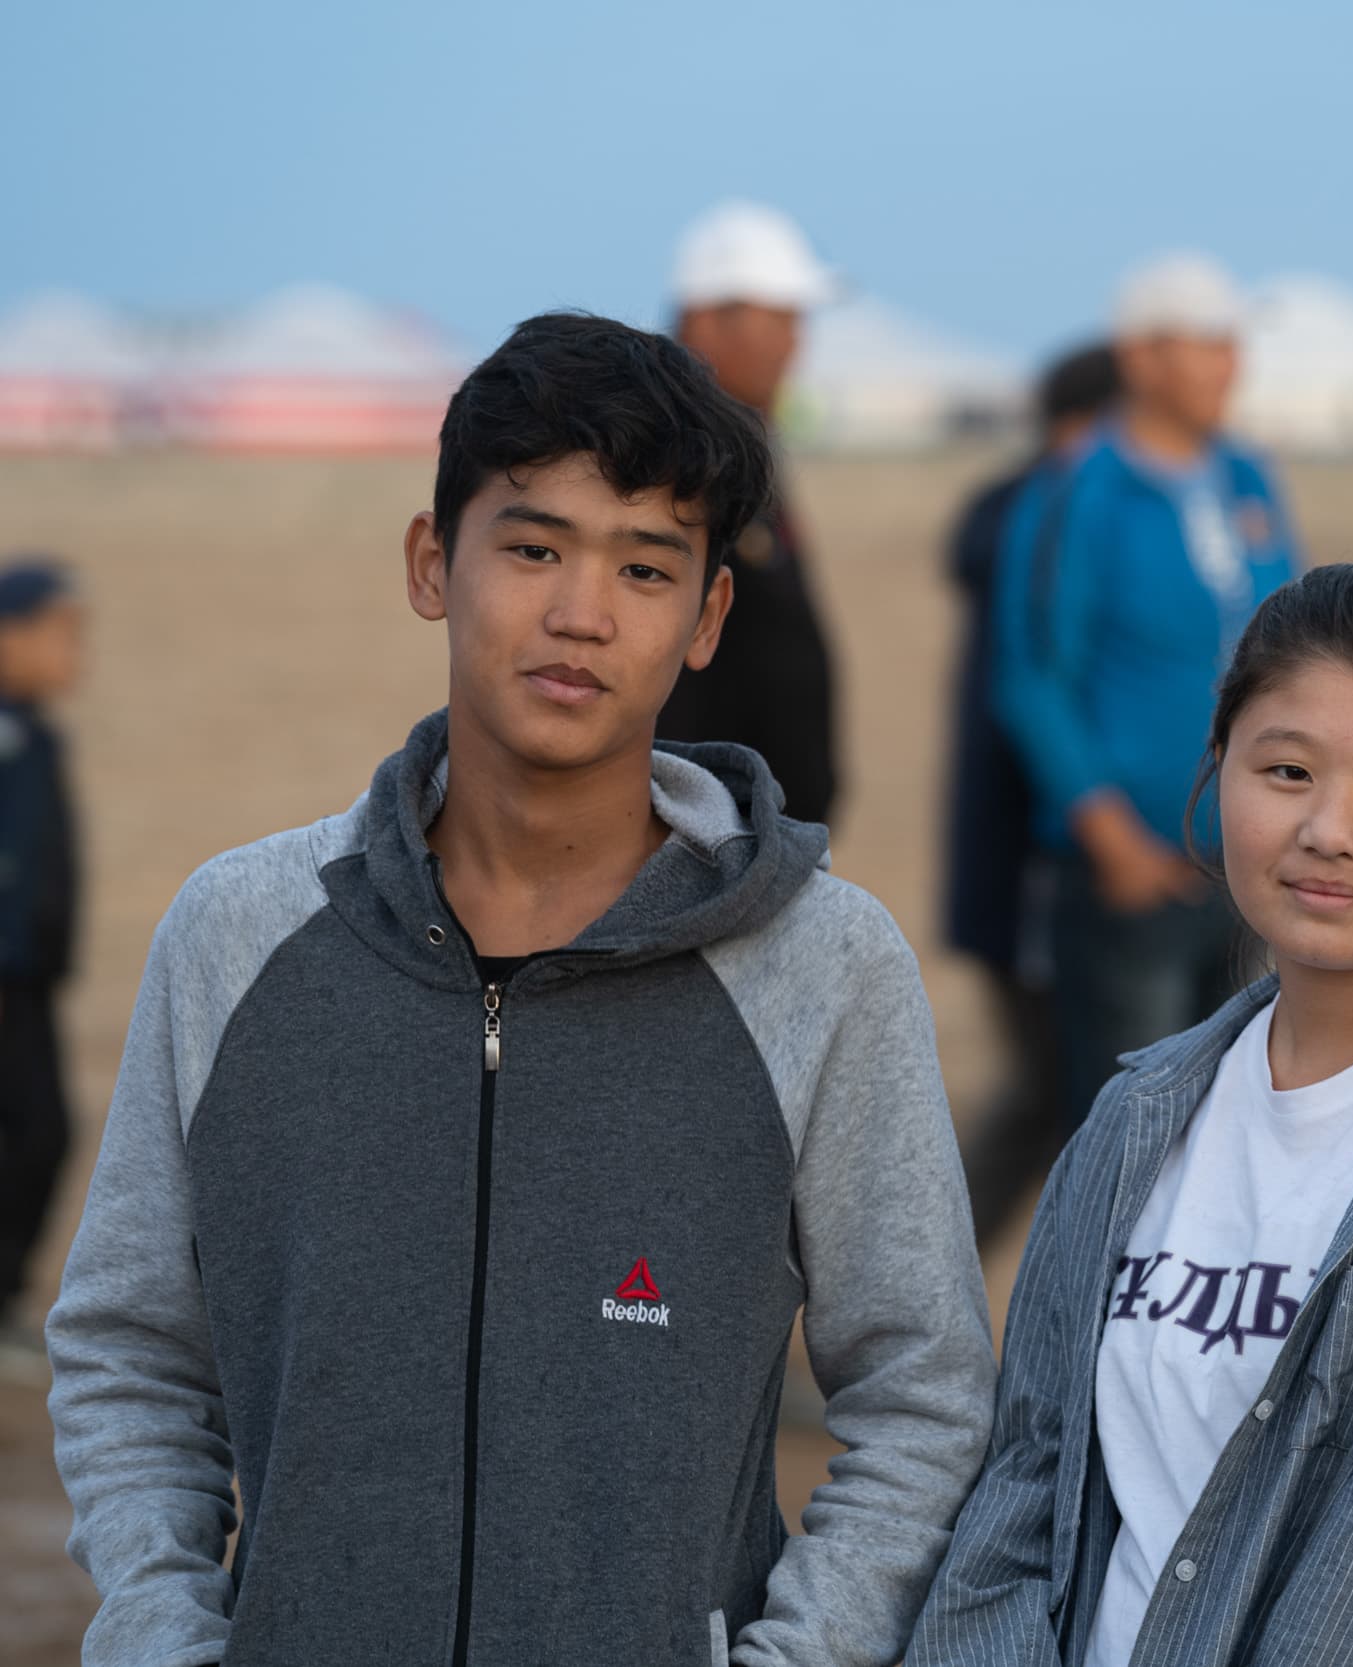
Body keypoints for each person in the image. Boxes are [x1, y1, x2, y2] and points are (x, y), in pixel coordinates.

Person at [46, 313, 995, 1666]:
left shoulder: (824, 963)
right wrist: (163, 1634)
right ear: (436, 563)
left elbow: (927, 1394)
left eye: (646, 564)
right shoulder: (237, 931)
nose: (580, 613)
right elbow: (131, 1346)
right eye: (534, 545)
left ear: (709, 612)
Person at [911, 562, 1353, 1666]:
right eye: (1285, 769)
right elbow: (1024, 1486)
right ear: (1220, 770)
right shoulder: (1140, 1107)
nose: (1329, 829)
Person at [991, 253, 1298, 1124]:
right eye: (1207, 344)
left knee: (1247, 1124)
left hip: (1255, 867)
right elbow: (1031, 675)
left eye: (1233, 343)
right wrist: (1108, 835)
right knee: (1142, 1134)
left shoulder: (1248, 477)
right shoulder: (1081, 490)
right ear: (1143, 358)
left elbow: (1292, 643)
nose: (1229, 364)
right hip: (1136, 876)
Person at [941, 342, 1122, 1237]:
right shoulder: (1049, 521)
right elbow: (1031, 709)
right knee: (1068, 1099)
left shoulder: (1047, 513)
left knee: (1056, 1097)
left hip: (1036, 866)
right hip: (1034, 869)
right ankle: (915, 1285)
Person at [658, 199, 845, 828]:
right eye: (782, 319)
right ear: (707, 320)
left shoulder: (739, 438)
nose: (796, 343)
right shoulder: (671, 452)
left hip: (760, 825)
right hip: (707, 828)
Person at [0, 558, 83, 1380]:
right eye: (58, 632)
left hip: (29, 976)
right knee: (32, 1132)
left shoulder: (36, 730)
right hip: (7, 974)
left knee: (41, 1131)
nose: (73, 652)